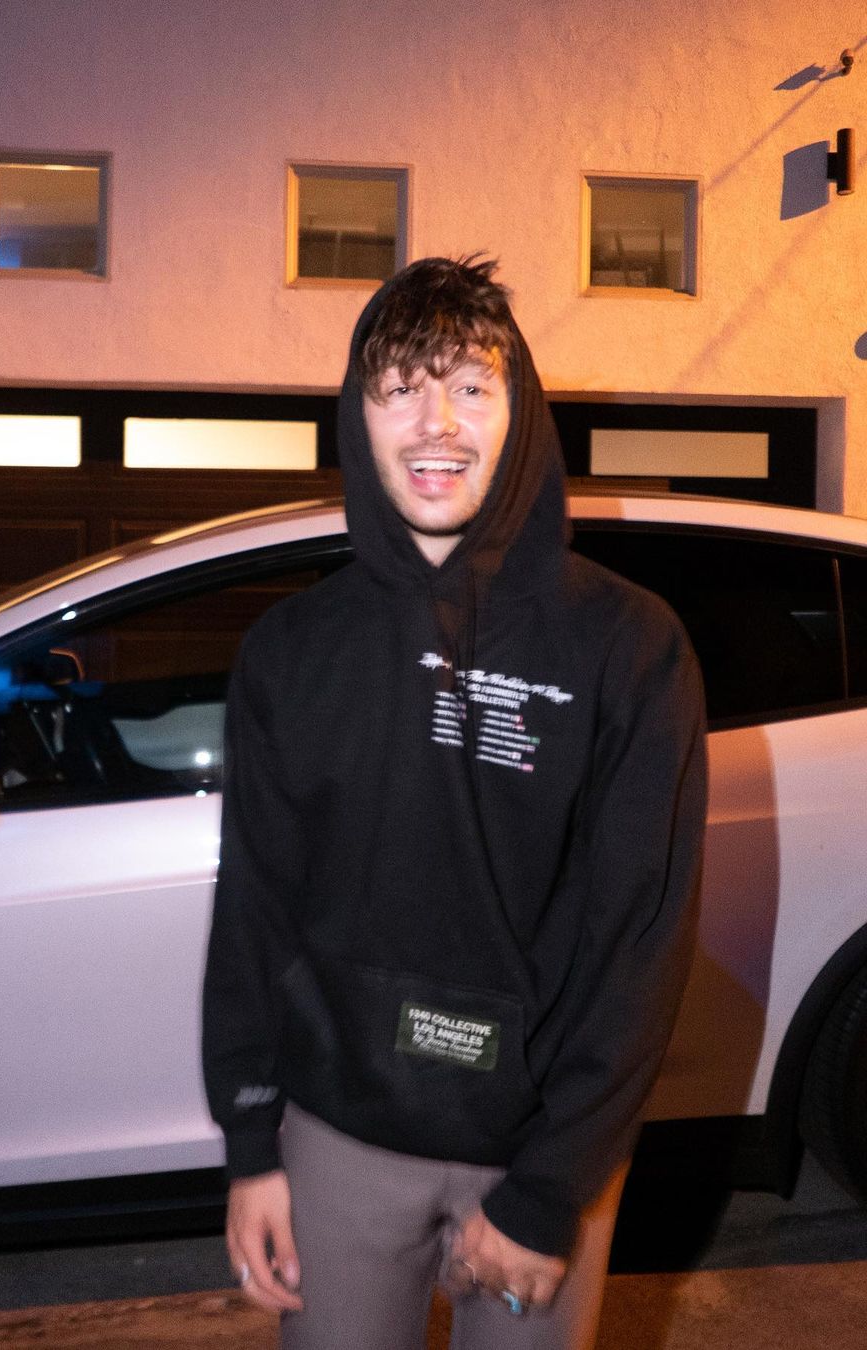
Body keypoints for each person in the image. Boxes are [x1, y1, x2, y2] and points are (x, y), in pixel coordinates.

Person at [202, 255, 707, 1350]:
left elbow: (641, 937)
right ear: (359, 417)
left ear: (520, 417)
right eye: (401, 389)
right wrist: (249, 1145)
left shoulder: (629, 645)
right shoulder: (291, 651)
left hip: (543, 1144)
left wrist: (553, 1183)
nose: (437, 423)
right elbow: (254, 910)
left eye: (471, 387)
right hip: (342, 1138)